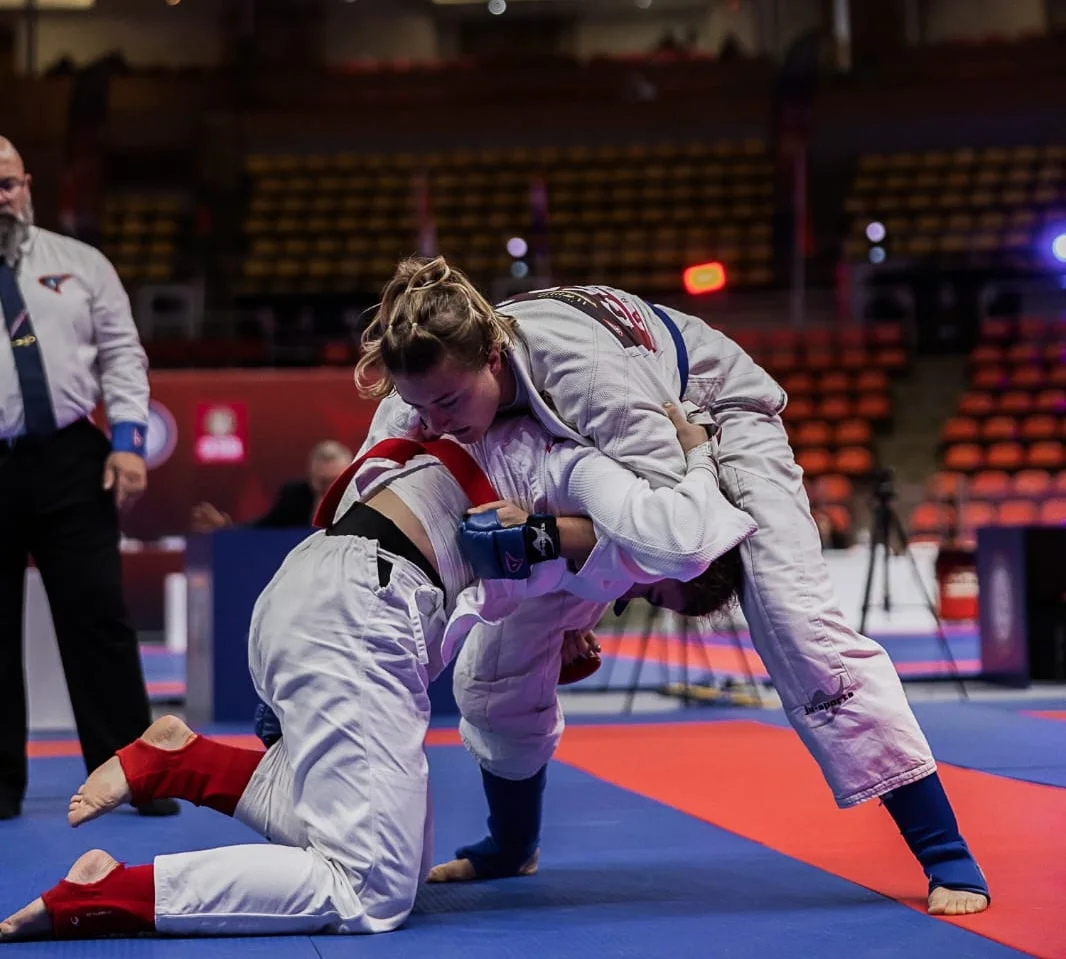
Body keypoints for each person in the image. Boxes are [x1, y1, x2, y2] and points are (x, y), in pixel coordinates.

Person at [351, 256, 990, 917]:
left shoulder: (585, 374)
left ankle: (943, 849)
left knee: (796, 626)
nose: (434, 423)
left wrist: (563, 564)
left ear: (492, 356)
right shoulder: (421, 391)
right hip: (587, 453)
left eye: (449, 403)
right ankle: (511, 844)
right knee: (494, 666)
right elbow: (363, 516)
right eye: (420, 407)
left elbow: (679, 535)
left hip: (706, 422)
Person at [0, 402, 753, 941]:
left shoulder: (476, 428)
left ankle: (185, 763)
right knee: (370, 890)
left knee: (401, 859)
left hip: (319, 588)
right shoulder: (595, 489)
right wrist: (695, 454)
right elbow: (673, 537)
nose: (627, 596)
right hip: (359, 615)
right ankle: (113, 893)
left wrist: (565, 617)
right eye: (652, 590)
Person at [0, 136, 175, 821]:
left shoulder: (80, 264)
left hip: (72, 456)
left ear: (27, 185)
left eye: (7, 185)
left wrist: (128, 442)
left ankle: (131, 773)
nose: (1, 199)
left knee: (99, 615)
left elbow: (123, 355)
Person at [190, 440, 352, 532]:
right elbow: (264, 528)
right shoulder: (294, 497)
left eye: (335, 481)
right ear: (311, 477)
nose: (328, 489)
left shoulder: (360, 499)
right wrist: (229, 529)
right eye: (322, 482)